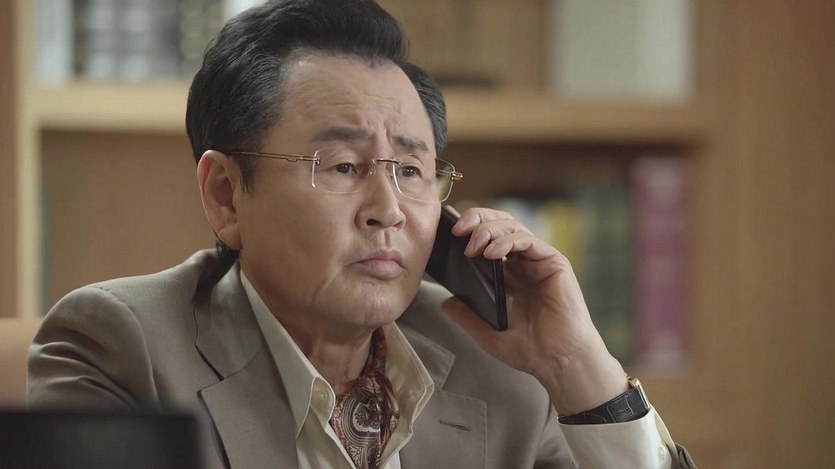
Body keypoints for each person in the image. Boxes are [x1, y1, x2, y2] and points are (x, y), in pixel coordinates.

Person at [28, 1, 695, 468]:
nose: (388, 210)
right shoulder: (125, 347)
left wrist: (577, 369)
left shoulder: (498, 365)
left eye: (410, 170)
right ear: (226, 194)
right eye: (343, 166)